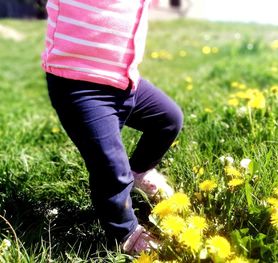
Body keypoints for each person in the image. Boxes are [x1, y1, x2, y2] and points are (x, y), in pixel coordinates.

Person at [41, 0, 183, 255]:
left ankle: (139, 171)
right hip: (78, 84)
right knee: (111, 167)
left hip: (125, 81)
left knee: (168, 120)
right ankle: (126, 233)